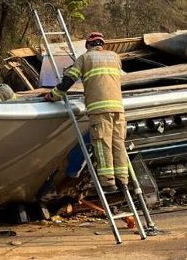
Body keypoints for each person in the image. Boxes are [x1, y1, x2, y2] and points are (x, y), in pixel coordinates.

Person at [44, 32, 127, 193]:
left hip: (99, 110)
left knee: (103, 144)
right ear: (102, 44)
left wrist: (53, 95)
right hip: (118, 109)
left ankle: (108, 181)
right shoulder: (115, 57)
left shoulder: (84, 58)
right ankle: (123, 180)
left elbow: (68, 81)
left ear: (88, 45)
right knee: (118, 144)